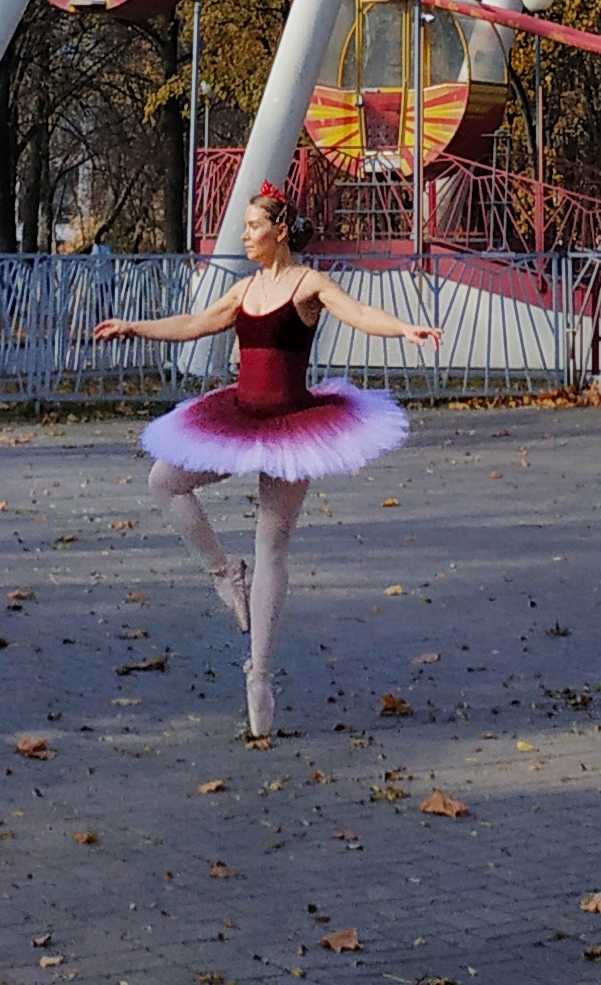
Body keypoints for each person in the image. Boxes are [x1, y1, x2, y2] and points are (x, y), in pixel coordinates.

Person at [96, 183, 438, 740]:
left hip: (293, 427)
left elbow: (358, 313)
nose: (245, 236)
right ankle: (224, 575)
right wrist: (136, 327)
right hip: (238, 416)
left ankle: (259, 674)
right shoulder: (244, 289)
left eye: (252, 227)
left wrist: (405, 328)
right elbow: (194, 323)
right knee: (165, 480)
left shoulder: (309, 285)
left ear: (279, 230)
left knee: (272, 545)